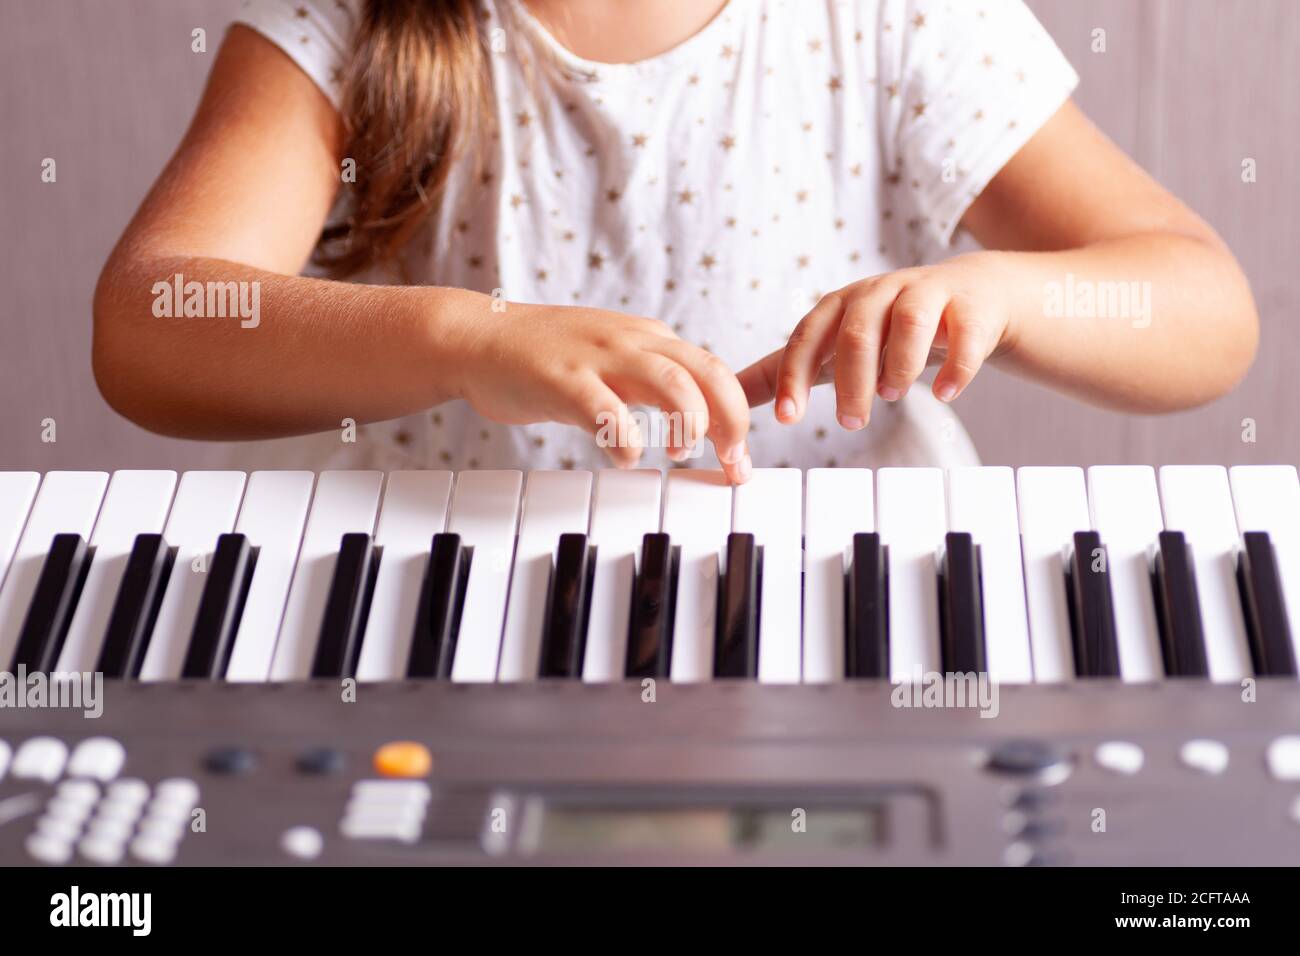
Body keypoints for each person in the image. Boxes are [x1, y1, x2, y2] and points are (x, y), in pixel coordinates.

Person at [92, 0, 1258, 485]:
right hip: (450, 623)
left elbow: (1207, 316)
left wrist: (1002, 292)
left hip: (836, 622)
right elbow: (151, 324)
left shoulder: (897, 20)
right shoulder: (350, 21)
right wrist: (465, 337)